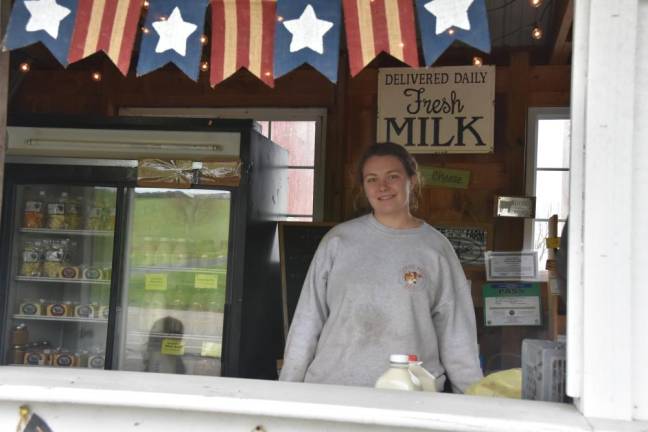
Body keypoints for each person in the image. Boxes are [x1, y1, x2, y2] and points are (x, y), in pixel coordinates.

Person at [279, 142, 483, 393]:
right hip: (333, 390)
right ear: (363, 187)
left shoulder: (436, 249)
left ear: (412, 180)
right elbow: (307, 321)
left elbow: (457, 335)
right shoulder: (338, 241)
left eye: (393, 177)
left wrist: (475, 400)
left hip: (411, 397)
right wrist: (286, 389)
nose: (382, 187)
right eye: (372, 179)